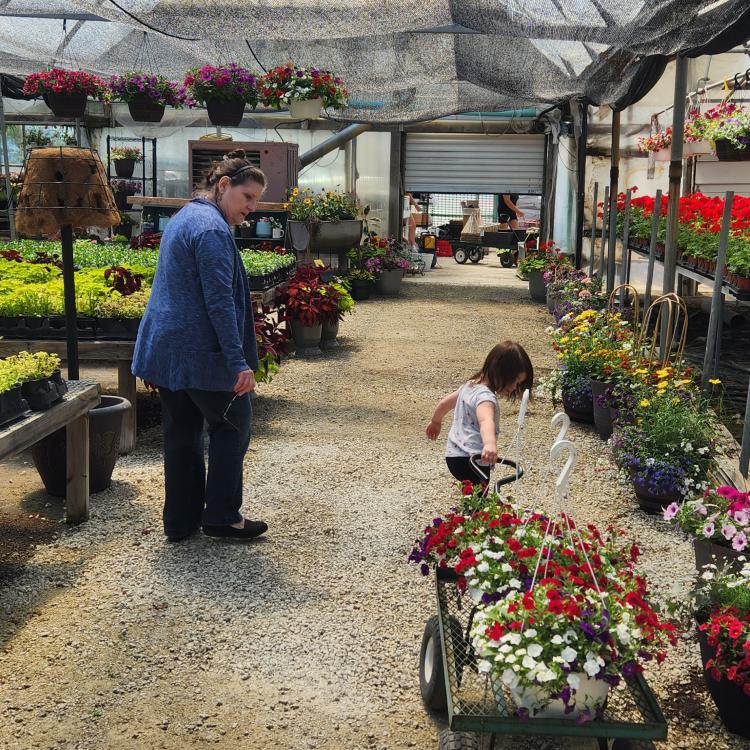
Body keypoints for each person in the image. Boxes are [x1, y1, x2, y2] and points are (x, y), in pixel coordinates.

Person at [132, 149, 268, 543]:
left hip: (169, 351)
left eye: (256, 201)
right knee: (232, 424)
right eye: (247, 198)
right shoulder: (210, 230)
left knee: (183, 431)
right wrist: (238, 362)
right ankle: (223, 516)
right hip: (199, 353)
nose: (252, 209)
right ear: (223, 186)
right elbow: (219, 301)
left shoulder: (186, 216)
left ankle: (180, 521)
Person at [425, 341, 534, 485]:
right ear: (500, 370)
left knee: (472, 495)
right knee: (481, 496)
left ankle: (468, 507)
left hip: (453, 456)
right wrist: (489, 443)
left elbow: (444, 403)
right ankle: (474, 508)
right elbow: (486, 420)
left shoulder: (469, 385)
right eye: (515, 380)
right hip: (473, 458)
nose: (514, 387)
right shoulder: (486, 397)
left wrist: (435, 422)